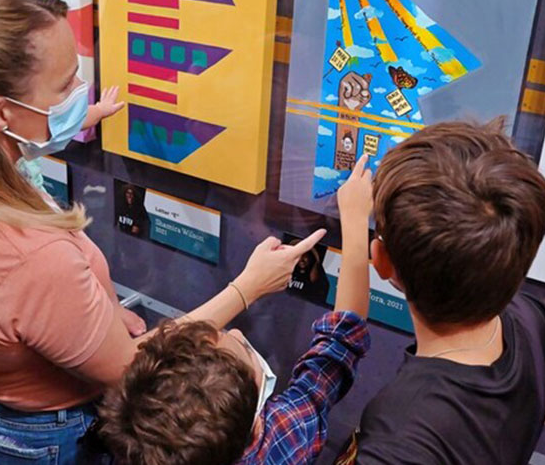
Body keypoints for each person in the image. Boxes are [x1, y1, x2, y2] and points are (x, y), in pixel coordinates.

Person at [0, 0, 325, 464]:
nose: (81, 91)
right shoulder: (27, 255)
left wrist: (79, 326)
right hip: (55, 437)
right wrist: (248, 287)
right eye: (66, 82)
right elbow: (130, 368)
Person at [337, 120, 545, 464]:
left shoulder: (400, 438)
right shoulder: (526, 318)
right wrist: (525, 418)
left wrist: (354, 228)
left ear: (382, 262)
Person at [96, 157, 377, 465]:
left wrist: (247, 287)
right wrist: (355, 221)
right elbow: (338, 346)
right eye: (243, 347)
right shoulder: (283, 439)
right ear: (257, 429)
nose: (238, 331)